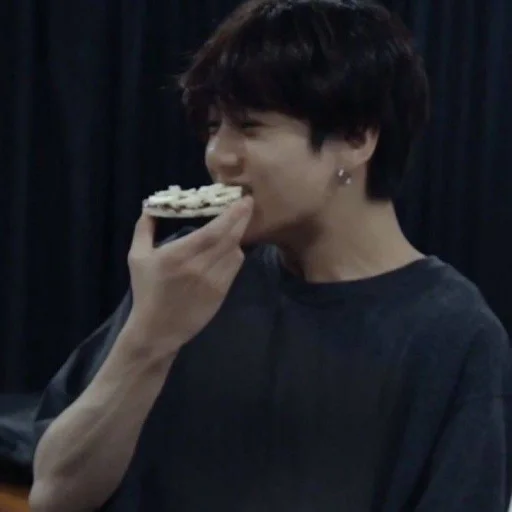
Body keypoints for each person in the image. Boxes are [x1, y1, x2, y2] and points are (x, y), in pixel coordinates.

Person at [28, 0, 511, 511]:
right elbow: (54, 495)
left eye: (250, 126)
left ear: (356, 138)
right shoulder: (189, 274)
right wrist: (149, 338)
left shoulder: (453, 333)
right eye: (213, 127)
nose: (218, 156)